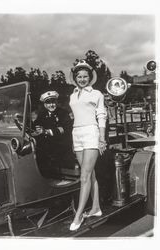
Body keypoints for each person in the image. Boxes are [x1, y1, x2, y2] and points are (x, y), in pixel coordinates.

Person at [69, 60, 107, 231]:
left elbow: (102, 116)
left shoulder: (97, 93)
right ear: (75, 78)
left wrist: (102, 138)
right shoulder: (72, 94)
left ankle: (78, 215)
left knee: (84, 176)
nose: (82, 79)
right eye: (79, 76)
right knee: (90, 175)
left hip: (91, 133)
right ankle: (96, 208)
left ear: (90, 78)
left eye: (85, 76)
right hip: (77, 133)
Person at [33, 90, 75, 176]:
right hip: (48, 151)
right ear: (44, 104)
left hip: (63, 150)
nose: (51, 105)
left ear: (56, 102)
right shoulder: (42, 114)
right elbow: (36, 125)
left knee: (66, 173)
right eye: (48, 103)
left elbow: (65, 128)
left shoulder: (63, 113)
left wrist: (46, 131)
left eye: (53, 102)